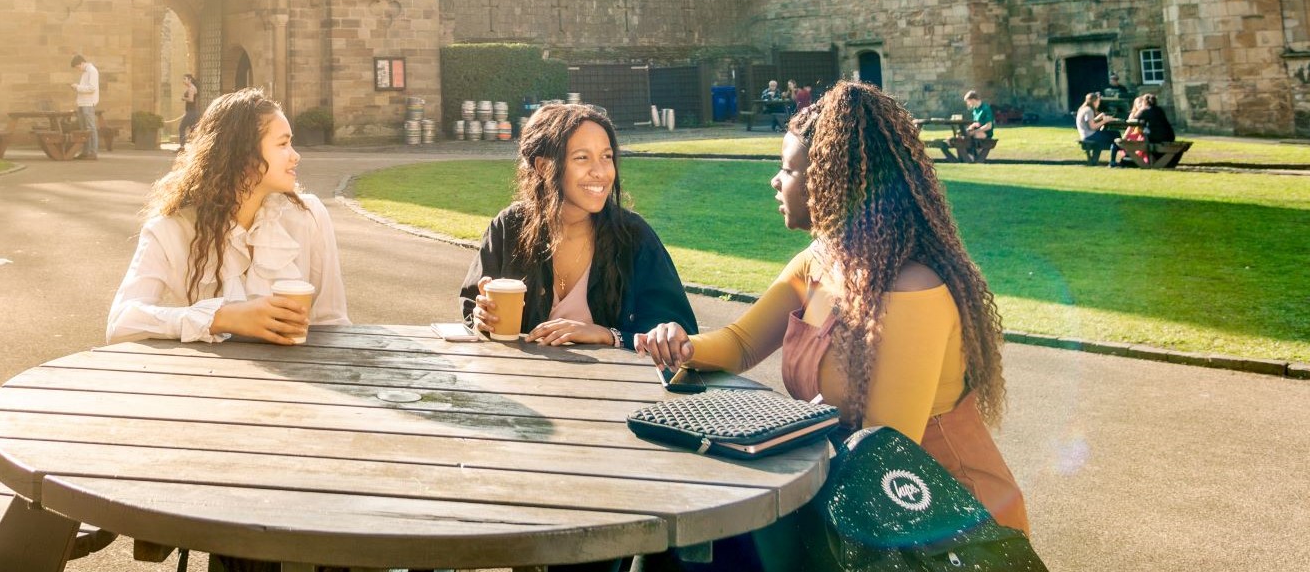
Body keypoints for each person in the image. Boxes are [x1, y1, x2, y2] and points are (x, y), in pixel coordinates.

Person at [638, 82, 1029, 533]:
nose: (775, 181)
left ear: (827, 183)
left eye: (788, 170)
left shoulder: (911, 288)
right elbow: (742, 343)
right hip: (849, 496)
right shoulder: (818, 261)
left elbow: (884, 447)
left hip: (943, 521)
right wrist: (676, 345)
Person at [106, 87, 349, 344]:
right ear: (243, 153)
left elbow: (332, 322)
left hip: (300, 376)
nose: (295, 156)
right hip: (210, 379)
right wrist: (220, 318)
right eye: (283, 144)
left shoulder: (308, 215)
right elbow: (121, 323)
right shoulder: (170, 229)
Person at [460, 103, 698, 353]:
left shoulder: (634, 237)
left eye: (606, 157)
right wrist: (481, 318)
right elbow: (471, 312)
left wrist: (609, 336)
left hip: (617, 389)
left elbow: (680, 337)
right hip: (522, 385)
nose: (601, 172)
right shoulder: (508, 227)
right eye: (582, 158)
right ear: (543, 167)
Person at [1076, 91, 1121, 166]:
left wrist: (1099, 118)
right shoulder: (1088, 110)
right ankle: (1113, 161)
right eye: (1098, 101)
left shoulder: (1083, 109)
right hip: (1089, 135)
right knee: (1116, 134)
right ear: (1095, 101)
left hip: (1086, 135)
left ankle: (1096, 161)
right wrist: (1104, 121)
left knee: (1109, 134)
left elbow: (1089, 123)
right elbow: (1092, 127)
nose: (1098, 103)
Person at [70, 54, 100, 160]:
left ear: (82, 63)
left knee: (90, 128)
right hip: (82, 103)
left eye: (78, 67)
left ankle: (93, 152)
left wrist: (77, 87)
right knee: (83, 129)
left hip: (88, 103)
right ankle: (85, 151)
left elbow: (92, 88)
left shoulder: (92, 71)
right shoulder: (85, 73)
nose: (78, 69)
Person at [177, 73, 201, 150]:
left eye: (185, 79)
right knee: (193, 130)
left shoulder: (191, 88)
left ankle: (182, 146)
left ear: (190, 80)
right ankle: (197, 147)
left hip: (191, 112)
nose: (183, 80)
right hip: (192, 112)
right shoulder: (191, 87)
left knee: (181, 128)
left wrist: (183, 98)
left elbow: (191, 99)